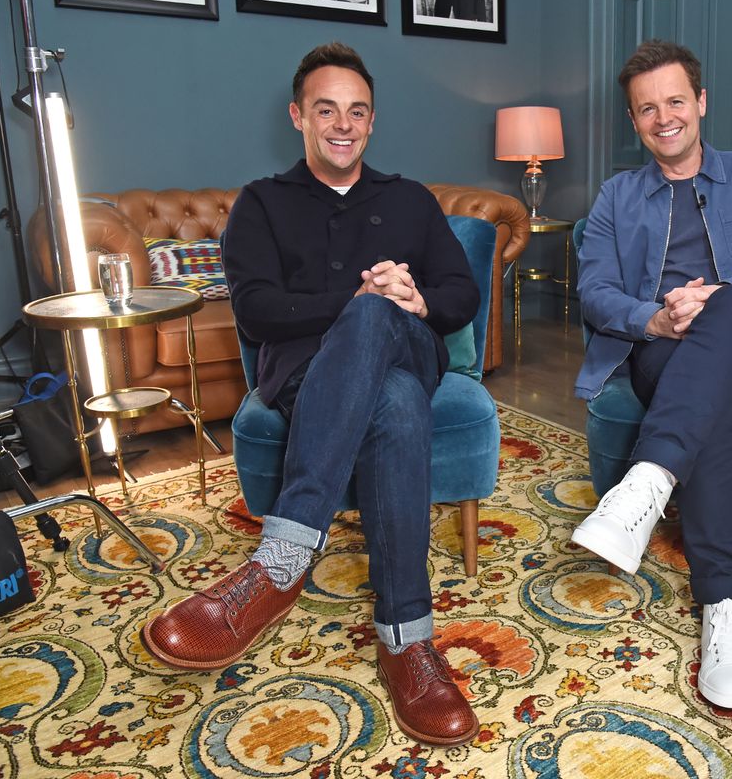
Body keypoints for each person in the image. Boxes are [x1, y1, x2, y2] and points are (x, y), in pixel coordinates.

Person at [140, 43, 481, 747]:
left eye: (356, 111)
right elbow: (259, 313)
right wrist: (357, 298)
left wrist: (412, 300)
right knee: (392, 400)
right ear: (299, 116)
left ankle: (282, 559)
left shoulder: (410, 199)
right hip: (305, 375)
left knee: (384, 318)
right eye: (326, 109)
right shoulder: (260, 204)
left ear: (372, 122)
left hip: (412, 350)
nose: (342, 124)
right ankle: (408, 642)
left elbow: (461, 293)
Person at [572, 40, 732, 710]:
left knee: (731, 304)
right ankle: (727, 609)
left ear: (701, 103)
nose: (664, 117)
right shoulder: (617, 195)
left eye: (675, 101)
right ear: (634, 120)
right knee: (709, 401)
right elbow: (593, 290)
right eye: (647, 109)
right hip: (665, 350)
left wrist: (719, 294)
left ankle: (645, 483)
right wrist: (653, 320)